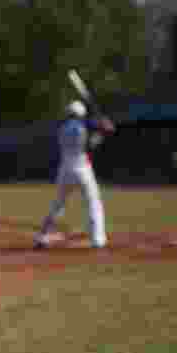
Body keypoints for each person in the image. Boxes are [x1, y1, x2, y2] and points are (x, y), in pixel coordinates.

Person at [34, 100, 116, 249]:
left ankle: (42, 236)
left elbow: (89, 131)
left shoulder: (63, 127)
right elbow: (90, 145)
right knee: (93, 202)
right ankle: (98, 239)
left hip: (65, 168)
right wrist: (104, 130)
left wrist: (101, 128)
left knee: (58, 204)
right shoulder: (82, 126)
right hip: (82, 168)